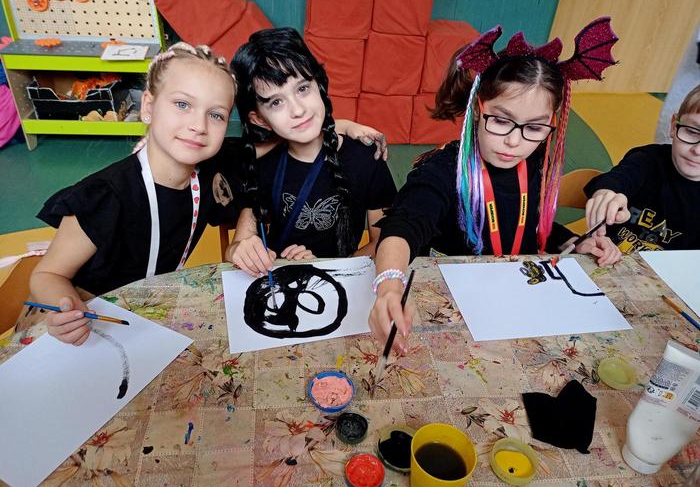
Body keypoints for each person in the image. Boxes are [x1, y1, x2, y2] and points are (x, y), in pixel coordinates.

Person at [31, 41, 387, 345]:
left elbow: (286, 136)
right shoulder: (104, 195)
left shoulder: (215, 169)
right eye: (182, 105)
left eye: (215, 115)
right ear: (149, 106)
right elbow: (46, 276)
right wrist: (66, 310)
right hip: (81, 319)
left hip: (146, 317)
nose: (198, 126)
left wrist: (338, 125)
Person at [368, 18, 622, 354]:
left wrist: (572, 242)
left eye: (534, 127)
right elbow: (403, 225)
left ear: (552, 123)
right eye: (501, 120)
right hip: (452, 308)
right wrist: (389, 286)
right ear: (478, 109)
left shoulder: (534, 161)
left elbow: (527, 223)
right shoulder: (443, 170)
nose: (514, 141)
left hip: (515, 300)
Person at [227, 27, 397, 276]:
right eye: (276, 102)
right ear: (259, 119)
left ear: (319, 85)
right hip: (279, 280)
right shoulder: (262, 162)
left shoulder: (365, 157)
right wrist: (241, 252)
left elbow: (385, 242)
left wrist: (324, 269)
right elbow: (237, 247)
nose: (298, 110)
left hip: (340, 281)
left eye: (303, 89)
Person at [584, 83, 700, 253]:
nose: (697, 151)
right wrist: (607, 194)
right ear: (673, 126)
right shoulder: (648, 160)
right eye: (692, 131)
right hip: (604, 256)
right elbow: (617, 179)